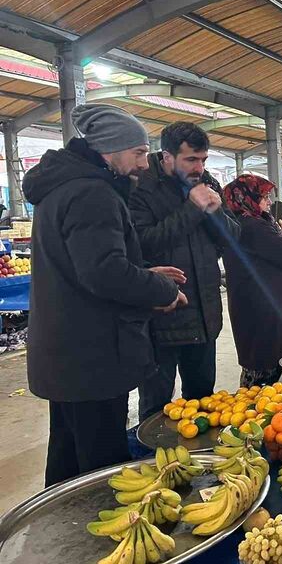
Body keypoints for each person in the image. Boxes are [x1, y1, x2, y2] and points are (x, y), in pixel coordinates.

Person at [22, 104, 185, 486]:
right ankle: (98, 525)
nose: (144, 163)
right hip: (92, 357)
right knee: (100, 468)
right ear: (109, 151)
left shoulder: (62, 187)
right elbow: (105, 273)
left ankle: (58, 520)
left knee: (67, 458)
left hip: (67, 353)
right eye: (138, 152)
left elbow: (85, 267)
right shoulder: (93, 193)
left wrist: (142, 274)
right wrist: (162, 289)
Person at [130, 122, 240, 421]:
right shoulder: (140, 186)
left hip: (203, 315)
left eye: (203, 159)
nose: (199, 168)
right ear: (167, 156)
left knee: (204, 406)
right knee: (156, 407)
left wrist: (215, 213)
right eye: (191, 159)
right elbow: (140, 243)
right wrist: (192, 209)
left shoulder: (207, 183)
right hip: (161, 318)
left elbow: (232, 238)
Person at [222, 174, 282, 386]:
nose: (269, 202)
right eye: (264, 197)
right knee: (266, 376)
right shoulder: (253, 227)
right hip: (264, 310)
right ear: (247, 198)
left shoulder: (238, 223)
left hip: (254, 306)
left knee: (258, 366)